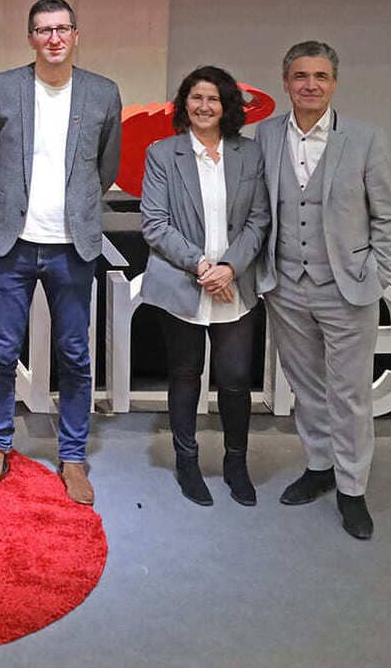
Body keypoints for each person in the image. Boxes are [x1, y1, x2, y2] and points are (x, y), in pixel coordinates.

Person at [0, 0, 122, 505]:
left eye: (62, 29)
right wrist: (11, 206)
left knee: (76, 355)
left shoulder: (102, 94)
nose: (53, 39)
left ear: (76, 35)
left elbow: (107, 168)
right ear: (30, 38)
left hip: (72, 246)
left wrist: (74, 209)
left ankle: (72, 457)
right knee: (1, 353)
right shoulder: (0, 89)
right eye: (43, 30)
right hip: (11, 245)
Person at [255, 40, 391, 540]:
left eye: (320, 76)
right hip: (287, 286)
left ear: (334, 83)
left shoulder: (365, 139)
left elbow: (389, 214)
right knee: (308, 387)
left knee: (350, 393)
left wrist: (378, 273)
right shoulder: (265, 136)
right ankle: (318, 466)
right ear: (286, 82)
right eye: (301, 76)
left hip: (348, 288)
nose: (310, 85)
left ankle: (352, 488)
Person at [139, 66, 269, 506]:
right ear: (184, 104)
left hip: (235, 285)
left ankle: (236, 465)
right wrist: (202, 267)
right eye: (196, 97)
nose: (204, 106)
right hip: (182, 283)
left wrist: (229, 267)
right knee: (184, 375)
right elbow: (155, 224)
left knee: (234, 379)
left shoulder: (249, 154)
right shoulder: (162, 153)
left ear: (227, 105)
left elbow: (259, 220)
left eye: (213, 98)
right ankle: (187, 463)